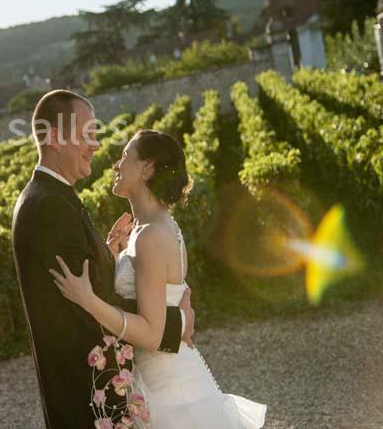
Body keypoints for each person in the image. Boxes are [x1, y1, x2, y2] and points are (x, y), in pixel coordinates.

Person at [52, 128, 267, 428]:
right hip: (160, 377)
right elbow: (172, 296)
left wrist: (87, 300)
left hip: (170, 393)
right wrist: (115, 257)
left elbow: (152, 334)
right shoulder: (151, 228)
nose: (115, 165)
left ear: (146, 168)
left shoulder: (151, 235)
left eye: (125, 156)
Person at [11, 90, 195, 429]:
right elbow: (85, 307)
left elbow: (86, 284)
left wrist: (107, 255)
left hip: (99, 388)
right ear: (54, 137)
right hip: (88, 393)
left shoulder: (54, 197)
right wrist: (177, 324)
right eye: (88, 134)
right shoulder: (48, 206)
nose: (96, 145)